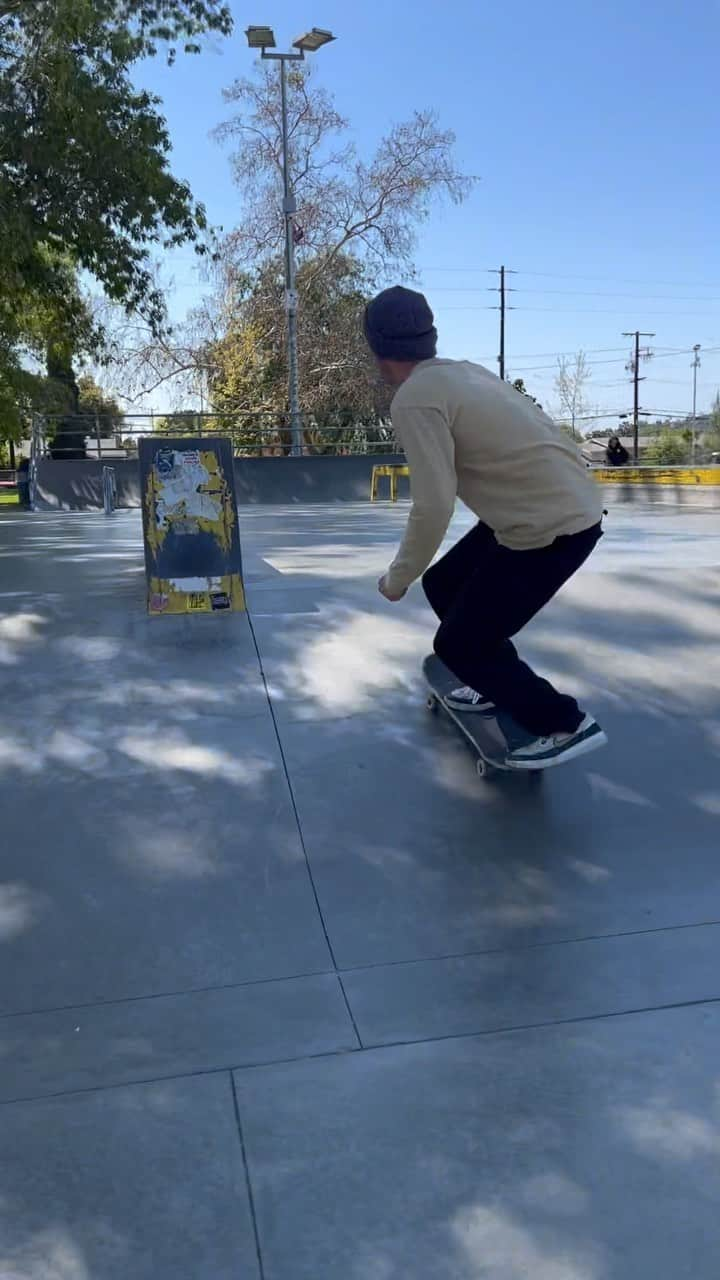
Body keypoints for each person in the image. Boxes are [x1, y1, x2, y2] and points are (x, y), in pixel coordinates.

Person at [364, 285, 607, 770]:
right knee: (445, 584)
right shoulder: (462, 373)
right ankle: (493, 676)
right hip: (560, 505)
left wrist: (397, 577)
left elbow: (433, 505)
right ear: (429, 339)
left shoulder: (414, 399)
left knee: (458, 643)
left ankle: (563, 722)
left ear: (376, 348)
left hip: (550, 527)